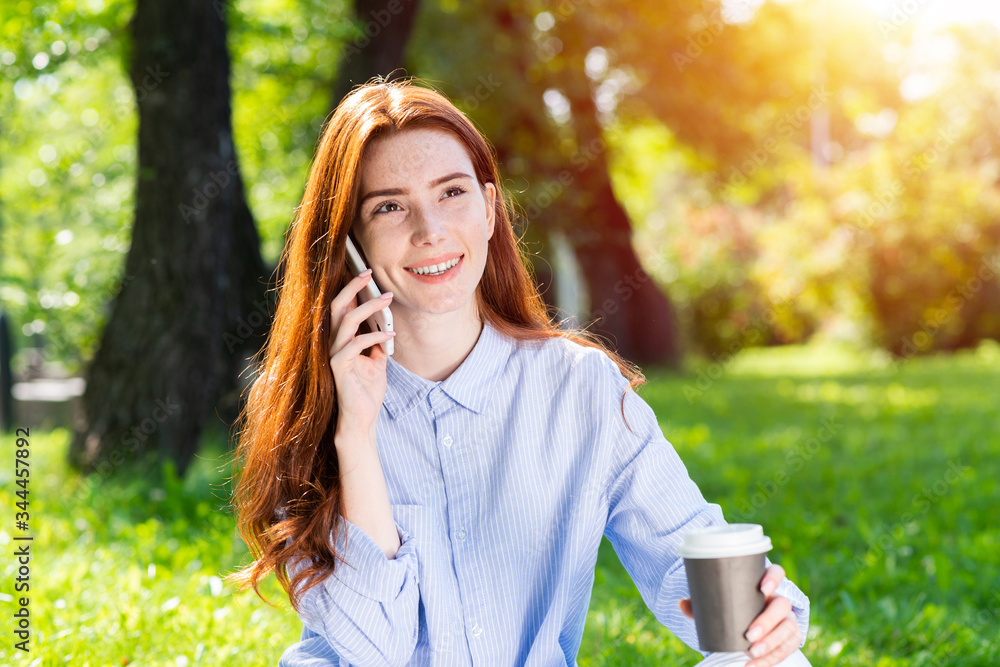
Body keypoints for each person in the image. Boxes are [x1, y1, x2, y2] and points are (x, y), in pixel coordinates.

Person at [225, 76, 812, 667]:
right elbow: (373, 651)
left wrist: (768, 617)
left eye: (451, 193)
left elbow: (685, 556)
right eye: (390, 206)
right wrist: (354, 432)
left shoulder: (580, 388)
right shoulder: (308, 410)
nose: (430, 231)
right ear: (350, 241)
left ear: (488, 211)